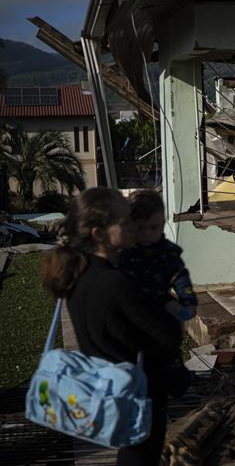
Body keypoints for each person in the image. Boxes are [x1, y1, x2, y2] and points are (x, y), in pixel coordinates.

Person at [41, 187, 181, 466]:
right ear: (99, 234)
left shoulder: (80, 275)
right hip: (136, 397)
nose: (134, 226)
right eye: (125, 221)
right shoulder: (115, 283)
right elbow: (169, 335)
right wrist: (170, 306)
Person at [117, 189, 197, 396]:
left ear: (162, 223)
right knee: (137, 348)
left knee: (168, 340)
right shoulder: (126, 253)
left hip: (160, 301)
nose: (146, 234)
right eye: (140, 228)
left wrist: (187, 301)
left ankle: (175, 373)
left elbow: (180, 277)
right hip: (133, 304)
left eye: (153, 227)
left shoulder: (167, 252)